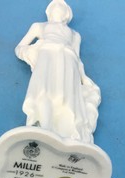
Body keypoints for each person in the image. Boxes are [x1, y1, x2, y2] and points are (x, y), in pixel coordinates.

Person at [15, 0, 101, 143]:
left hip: (68, 62)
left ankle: (65, 132)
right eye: (54, 6)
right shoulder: (39, 26)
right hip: (47, 57)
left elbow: (77, 59)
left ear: (67, 14)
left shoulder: (75, 35)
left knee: (65, 95)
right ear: (49, 12)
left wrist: (83, 77)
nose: (57, 9)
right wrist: (30, 52)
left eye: (61, 7)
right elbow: (19, 47)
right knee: (43, 89)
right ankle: (41, 125)